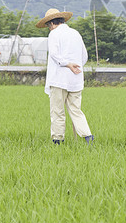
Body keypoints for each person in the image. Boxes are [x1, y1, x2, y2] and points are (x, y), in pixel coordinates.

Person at [36, 8, 94, 145]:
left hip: (59, 80)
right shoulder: (75, 33)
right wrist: (75, 66)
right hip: (75, 79)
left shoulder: (54, 34)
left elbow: (54, 55)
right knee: (76, 110)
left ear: (51, 23)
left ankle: (58, 141)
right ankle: (88, 138)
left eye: (47, 26)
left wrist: (67, 64)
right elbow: (84, 56)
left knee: (57, 112)